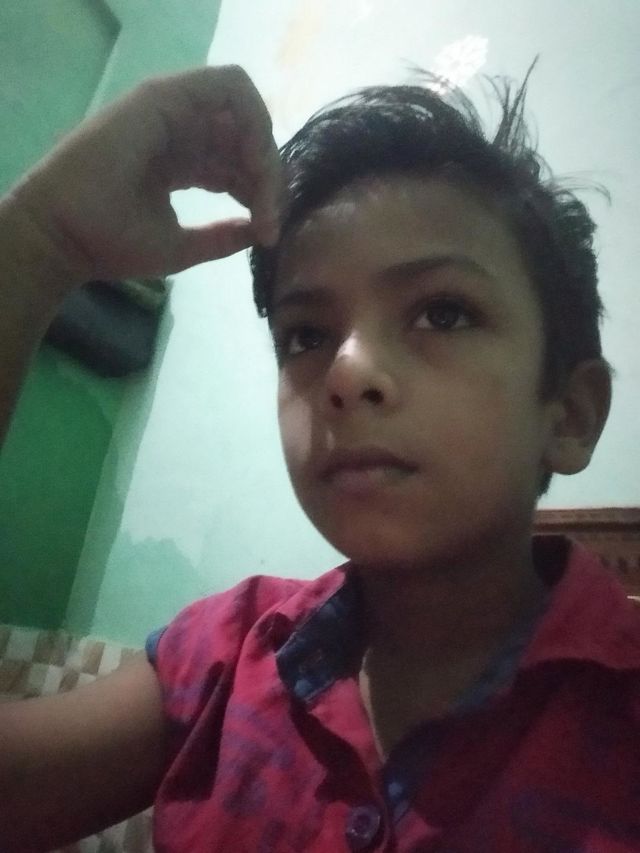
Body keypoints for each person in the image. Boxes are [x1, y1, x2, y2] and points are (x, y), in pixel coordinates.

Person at [0, 61, 637, 853]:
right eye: (306, 334)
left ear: (570, 414)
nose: (346, 371)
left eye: (443, 313)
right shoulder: (229, 655)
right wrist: (35, 243)